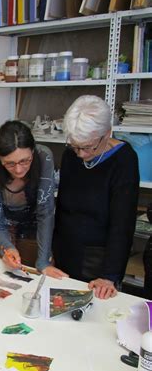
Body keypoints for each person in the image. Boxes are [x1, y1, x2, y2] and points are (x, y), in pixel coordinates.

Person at [53, 95, 140, 299]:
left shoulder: (124, 160)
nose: (81, 154)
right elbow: (63, 208)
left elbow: (123, 223)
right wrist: (51, 253)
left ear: (107, 133)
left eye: (87, 147)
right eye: (75, 146)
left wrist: (109, 276)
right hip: (65, 250)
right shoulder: (71, 156)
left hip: (98, 260)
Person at [0, 120, 66, 278]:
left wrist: (43, 262)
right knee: (1, 280)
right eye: (10, 164)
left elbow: (45, 213)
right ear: (0, 159)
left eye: (24, 161)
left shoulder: (43, 158)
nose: (19, 169)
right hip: (1, 229)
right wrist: (7, 247)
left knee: (33, 280)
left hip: (34, 229)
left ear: (32, 151)